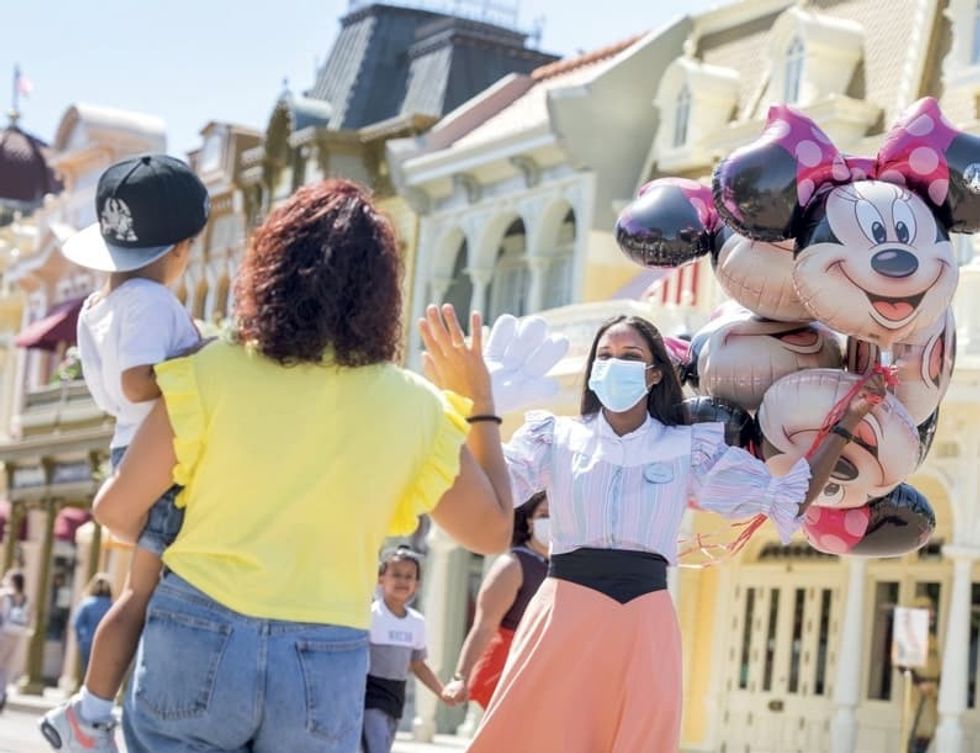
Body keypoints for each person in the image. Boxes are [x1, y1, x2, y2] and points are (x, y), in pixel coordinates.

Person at [88, 180, 514, 753]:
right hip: (324, 654)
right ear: (383, 290)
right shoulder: (417, 407)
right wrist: (479, 401)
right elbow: (492, 532)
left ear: (272, 265)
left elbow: (115, 511)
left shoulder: (210, 372)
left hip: (197, 630)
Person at [443, 313, 888, 753]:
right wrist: (475, 409)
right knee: (535, 737)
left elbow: (790, 497)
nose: (615, 364)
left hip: (644, 616)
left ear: (655, 373)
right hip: (564, 611)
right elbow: (486, 493)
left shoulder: (689, 448)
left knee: (641, 736)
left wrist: (847, 422)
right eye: (605, 355)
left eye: (630, 355)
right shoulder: (554, 437)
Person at [41, 154, 207, 753]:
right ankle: (89, 710)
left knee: (141, 591)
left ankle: (96, 707)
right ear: (182, 247)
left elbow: (116, 388)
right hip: (156, 457)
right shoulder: (151, 301)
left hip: (125, 449)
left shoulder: (96, 307)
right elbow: (141, 383)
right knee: (141, 595)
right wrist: (205, 359)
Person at [442, 491, 549, 709]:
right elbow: (484, 625)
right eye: (544, 515)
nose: (551, 522)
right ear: (529, 521)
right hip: (505, 668)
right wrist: (460, 677)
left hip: (538, 669)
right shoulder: (512, 564)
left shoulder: (559, 567)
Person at [363, 546, 457, 753]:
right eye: (396, 575)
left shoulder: (417, 622)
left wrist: (442, 691)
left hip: (395, 695)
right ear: (381, 578)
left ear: (417, 584)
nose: (402, 581)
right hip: (369, 693)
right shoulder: (370, 615)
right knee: (376, 746)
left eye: (409, 577)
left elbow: (418, 664)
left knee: (382, 746)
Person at [908, 595, 941, 753]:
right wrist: (919, 682)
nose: (933, 614)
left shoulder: (931, 637)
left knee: (930, 731)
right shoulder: (911, 636)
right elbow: (903, 665)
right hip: (919, 690)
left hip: (933, 691)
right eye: (929, 610)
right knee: (918, 732)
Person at [0, 569, 30, 712]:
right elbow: (30, 617)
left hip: (3, 633)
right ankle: (2, 693)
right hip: (17, 634)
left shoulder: (5, 595)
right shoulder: (25, 598)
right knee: (7, 666)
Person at [72, 574, 114, 673]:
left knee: (88, 672)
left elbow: (76, 623)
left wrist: (80, 638)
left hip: (87, 641)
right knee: (101, 672)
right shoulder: (112, 605)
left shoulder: (86, 603)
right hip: (105, 643)